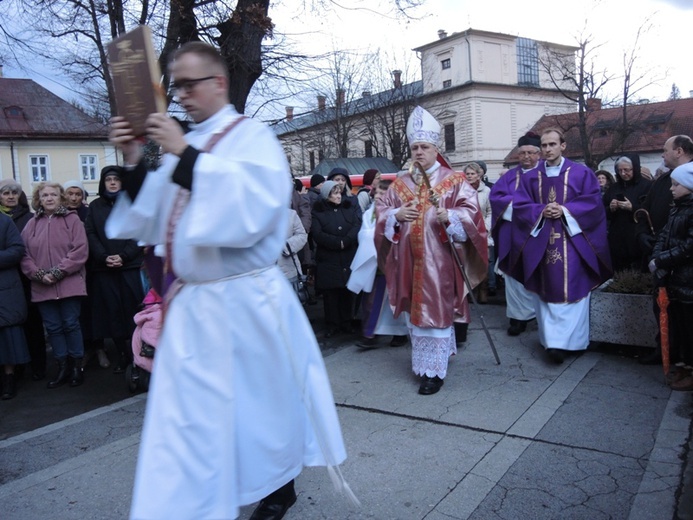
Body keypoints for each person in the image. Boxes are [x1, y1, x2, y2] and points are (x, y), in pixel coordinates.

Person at [107, 41, 347, 520]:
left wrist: (184, 154)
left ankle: (278, 489)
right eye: (175, 87)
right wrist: (134, 160)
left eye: (189, 84)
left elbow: (257, 208)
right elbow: (155, 217)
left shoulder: (250, 136)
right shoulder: (189, 145)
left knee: (261, 405)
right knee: (196, 414)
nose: (181, 96)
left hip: (245, 297)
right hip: (196, 303)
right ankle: (200, 499)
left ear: (218, 83)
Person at [376, 106, 487, 395]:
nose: (419, 152)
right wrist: (395, 216)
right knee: (416, 316)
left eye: (424, 147)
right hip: (408, 262)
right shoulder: (400, 183)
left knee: (436, 314)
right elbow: (382, 212)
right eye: (414, 147)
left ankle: (434, 373)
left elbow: (472, 214)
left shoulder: (454, 180)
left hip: (440, 262)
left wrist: (451, 217)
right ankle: (423, 366)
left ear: (435, 148)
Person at [509, 128, 612, 363]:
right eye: (544, 145)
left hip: (572, 240)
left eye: (552, 144)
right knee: (546, 289)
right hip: (542, 243)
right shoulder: (530, 177)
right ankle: (553, 344)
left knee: (573, 289)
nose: (547, 149)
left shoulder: (581, 174)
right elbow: (521, 206)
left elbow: (593, 204)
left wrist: (565, 210)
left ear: (563, 146)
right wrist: (541, 210)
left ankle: (574, 342)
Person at [20, 182, 88, 387]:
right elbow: (23, 254)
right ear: (38, 199)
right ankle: (62, 368)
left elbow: (80, 250)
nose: (49, 198)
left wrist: (59, 272)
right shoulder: (31, 224)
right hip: (42, 286)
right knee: (53, 328)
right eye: (45, 195)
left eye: (53, 195)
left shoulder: (72, 220)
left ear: (61, 198)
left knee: (71, 324)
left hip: (69, 283)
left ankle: (77, 367)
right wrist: (39, 274)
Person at [635, 135, 693, 365]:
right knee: (663, 310)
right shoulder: (662, 181)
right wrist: (642, 236)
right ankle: (665, 352)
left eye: (665, 149)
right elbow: (645, 210)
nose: (662, 154)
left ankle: (684, 361)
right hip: (661, 260)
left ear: (679, 151)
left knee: (686, 319)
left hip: (684, 268)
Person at [84, 166, 145, 374]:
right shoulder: (95, 207)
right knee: (112, 315)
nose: (112, 183)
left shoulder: (131, 204)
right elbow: (90, 234)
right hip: (104, 269)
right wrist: (104, 257)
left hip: (129, 267)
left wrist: (124, 256)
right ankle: (122, 356)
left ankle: (138, 356)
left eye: (116, 179)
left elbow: (138, 234)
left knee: (133, 312)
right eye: (108, 179)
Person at [489, 132, 541, 336]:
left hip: (539, 234)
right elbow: (497, 198)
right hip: (512, 235)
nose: (526, 156)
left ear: (539, 154)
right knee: (513, 277)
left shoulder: (548, 175)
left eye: (530, 152)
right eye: (522, 153)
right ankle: (518, 318)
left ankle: (538, 315)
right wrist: (524, 208)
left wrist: (524, 207)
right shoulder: (510, 177)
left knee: (537, 274)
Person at [347, 179, 408, 348]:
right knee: (372, 299)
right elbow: (364, 233)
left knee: (395, 300)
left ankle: (400, 332)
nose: (379, 196)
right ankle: (369, 334)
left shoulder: (398, 211)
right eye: (377, 192)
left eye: (383, 193)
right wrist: (371, 237)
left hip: (392, 261)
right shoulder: (370, 212)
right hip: (374, 261)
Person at [648, 162, 693, 390]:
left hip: (688, 281)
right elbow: (664, 236)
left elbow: (689, 246)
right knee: (681, 329)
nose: (671, 188)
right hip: (675, 279)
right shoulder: (677, 207)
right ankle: (684, 365)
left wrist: (662, 260)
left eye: (676, 184)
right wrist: (656, 258)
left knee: (690, 328)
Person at [0, 180, 47, 379]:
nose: (11, 196)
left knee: (32, 324)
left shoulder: (30, 217)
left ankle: (37, 367)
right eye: (5, 193)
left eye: (14, 193)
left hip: (28, 278)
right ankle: (16, 368)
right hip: (7, 280)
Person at [311, 180, 361, 337]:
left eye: (339, 192)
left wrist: (346, 240)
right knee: (331, 294)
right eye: (335, 193)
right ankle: (332, 324)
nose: (339, 196)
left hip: (347, 255)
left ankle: (346, 322)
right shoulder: (318, 212)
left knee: (346, 292)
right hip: (329, 258)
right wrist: (336, 243)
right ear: (327, 195)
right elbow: (317, 233)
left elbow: (355, 225)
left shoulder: (347, 209)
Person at [604, 155, 652, 272]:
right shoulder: (614, 188)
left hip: (637, 237)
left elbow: (651, 210)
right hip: (617, 238)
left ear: (634, 169)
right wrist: (611, 208)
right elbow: (602, 212)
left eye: (627, 170)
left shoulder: (647, 186)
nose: (623, 173)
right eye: (620, 170)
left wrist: (632, 208)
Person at [0, 212, 30, 399]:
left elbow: (17, 249)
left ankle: (8, 378)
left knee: (6, 338)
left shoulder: (4, 221)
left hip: (4, 287)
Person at [464, 162, 492, 303]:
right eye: (467, 174)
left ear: (478, 175)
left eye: (472, 174)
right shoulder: (462, 190)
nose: (470, 176)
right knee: (469, 262)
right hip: (466, 231)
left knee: (482, 262)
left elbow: (490, 212)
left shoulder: (486, 191)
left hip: (482, 232)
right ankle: (471, 291)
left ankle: (483, 289)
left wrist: (485, 228)